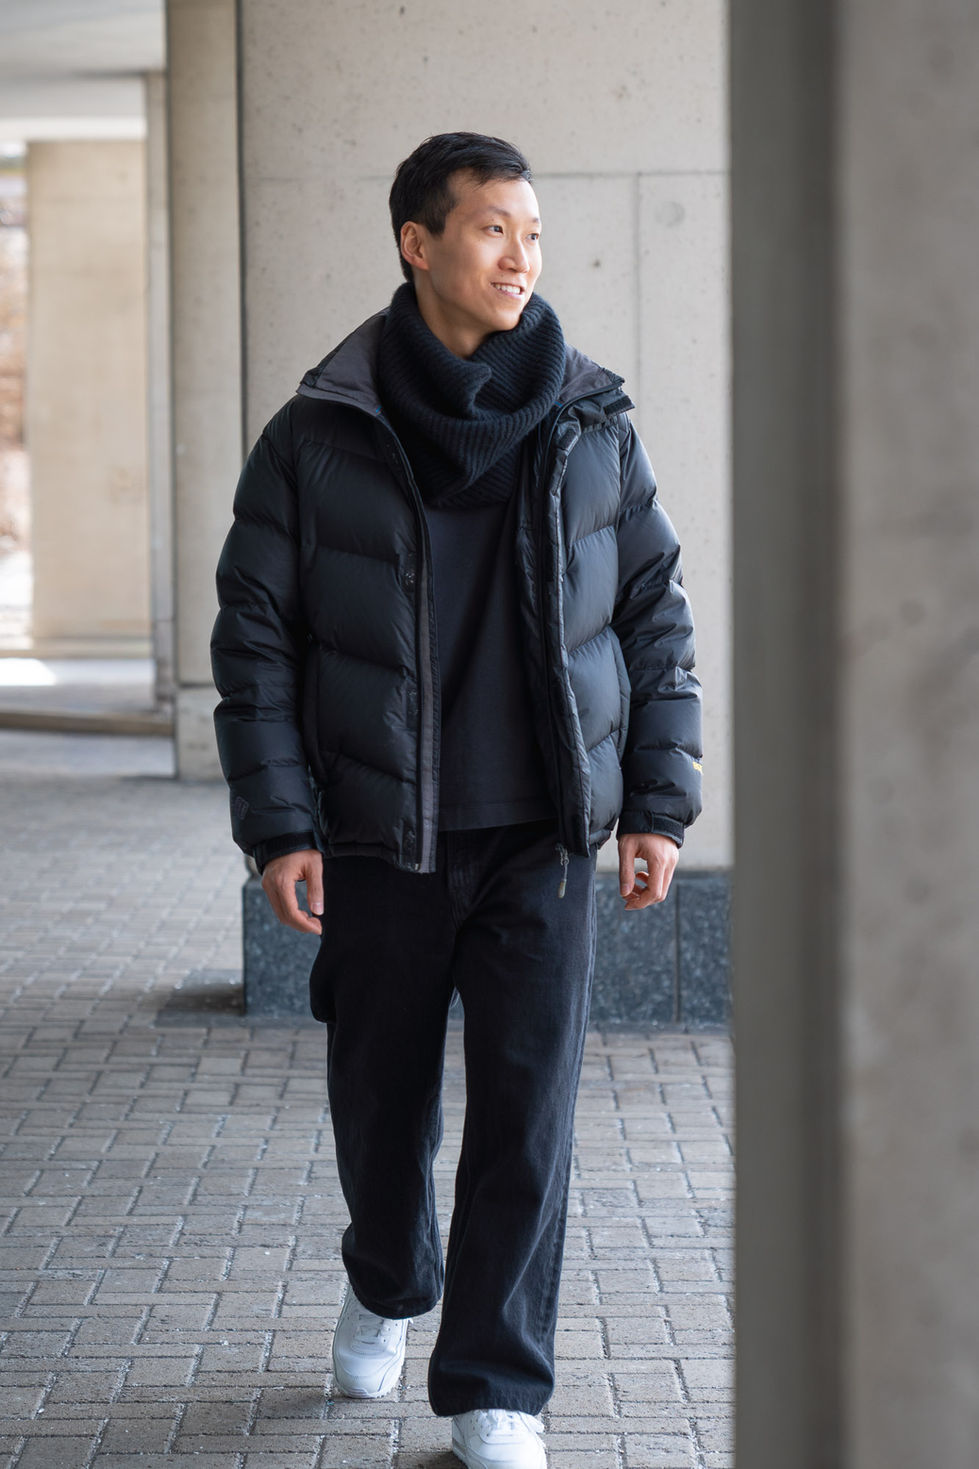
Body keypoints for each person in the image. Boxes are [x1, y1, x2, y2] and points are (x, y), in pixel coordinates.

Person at [211, 131, 702, 1469]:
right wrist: (280, 821)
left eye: (534, 234)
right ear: (418, 244)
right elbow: (255, 634)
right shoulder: (320, 434)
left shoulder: (591, 422)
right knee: (380, 1106)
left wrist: (657, 800)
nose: (522, 257)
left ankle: (498, 1381)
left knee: (526, 1114)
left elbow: (656, 616)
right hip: (380, 837)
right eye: (494, 229)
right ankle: (386, 1272)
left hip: (539, 841)